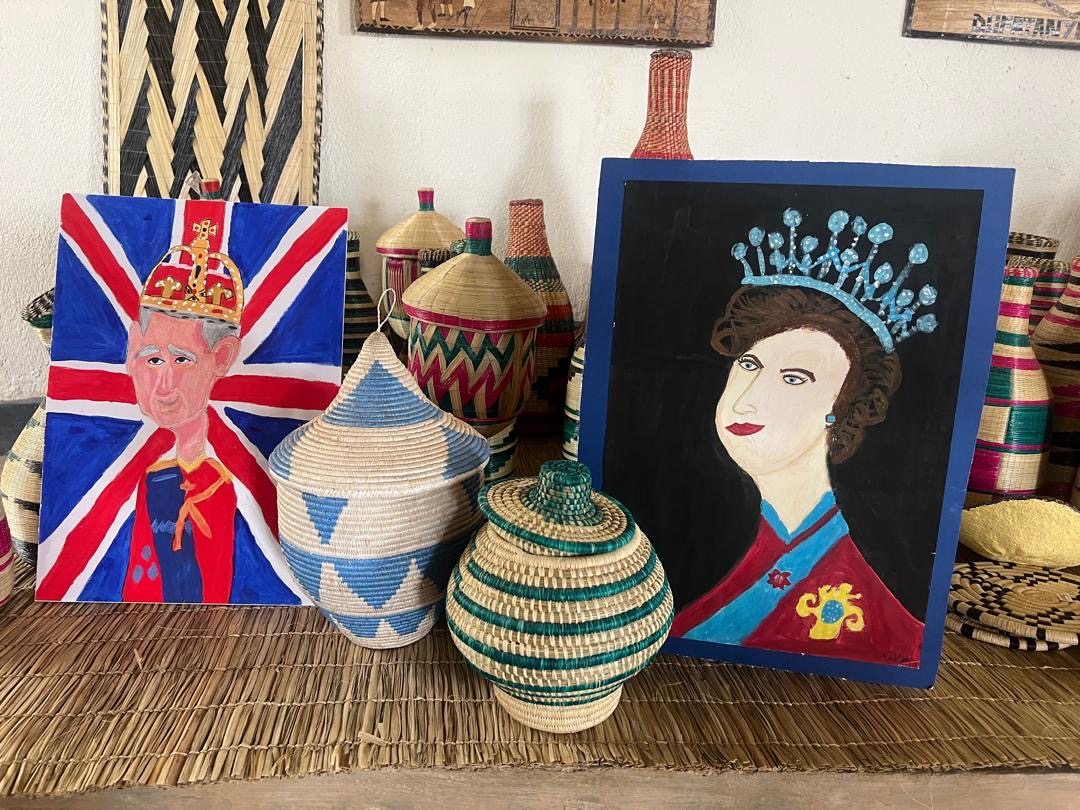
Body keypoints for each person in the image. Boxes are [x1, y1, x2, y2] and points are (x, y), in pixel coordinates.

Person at [671, 209, 938, 668]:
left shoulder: (879, 622)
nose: (747, 401)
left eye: (794, 379)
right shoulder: (707, 541)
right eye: (749, 366)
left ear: (843, 410)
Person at [122, 218, 244, 603]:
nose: (164, 386)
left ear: (221, 358)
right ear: (132, 349)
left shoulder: (227, 480)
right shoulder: (153, 477)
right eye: (153, 359)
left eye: (183, 360)